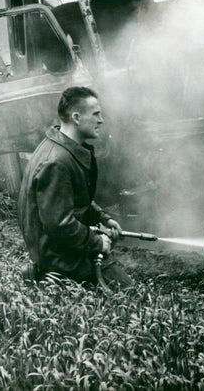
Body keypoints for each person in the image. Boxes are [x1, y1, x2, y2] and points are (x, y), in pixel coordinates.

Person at [18, 86, 134, 288]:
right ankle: (52, 279)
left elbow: (75, 200)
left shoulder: (60, 148)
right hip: (59, 259)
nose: (101, 120)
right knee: (130, 293)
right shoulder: (57, 162)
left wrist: (103, 218)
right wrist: (96, 242)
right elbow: (59, 225)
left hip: (61, 249)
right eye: (96, 114)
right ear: (77, 118)